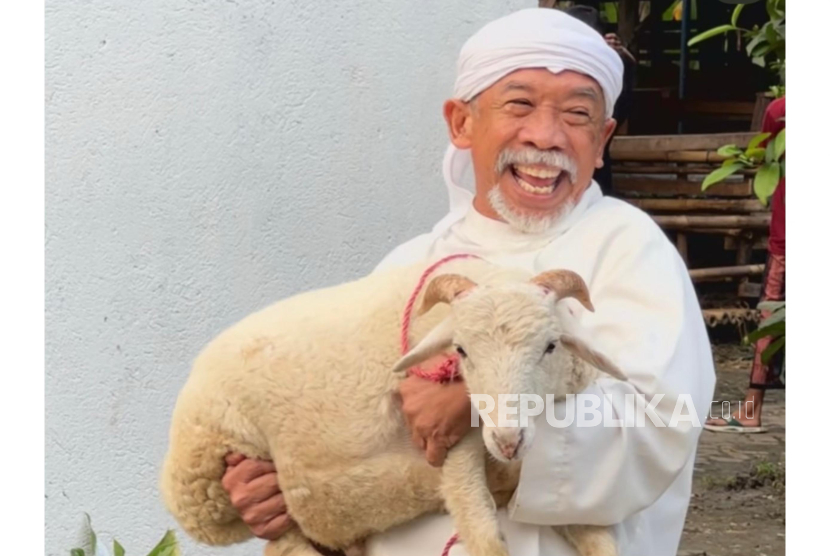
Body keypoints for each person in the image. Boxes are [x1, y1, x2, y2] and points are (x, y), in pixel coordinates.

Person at [219, 9, 715, 555]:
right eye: (519, 104)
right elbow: (352, 422)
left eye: (577, 114)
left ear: (602, 140)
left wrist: (480, 406)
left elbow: (665, 421)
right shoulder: (413, 267)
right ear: (461, 123)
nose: (546, 136)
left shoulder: (625, 247)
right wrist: (280, 483)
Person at [704, 96, 786, 434]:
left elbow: (767, 160)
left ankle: (751, 409)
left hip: (788, 238)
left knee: (772, 317)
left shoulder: (781, 110)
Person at [562, 4, 637, 195]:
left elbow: (619, 111)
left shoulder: (611, 70)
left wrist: (618, 57)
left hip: (594, 166)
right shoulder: (555, 66)